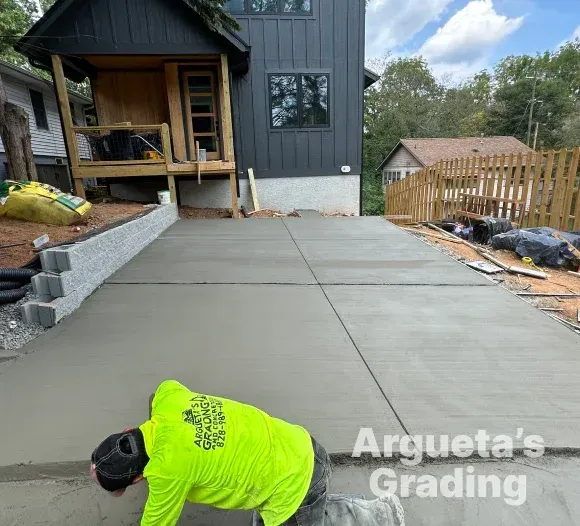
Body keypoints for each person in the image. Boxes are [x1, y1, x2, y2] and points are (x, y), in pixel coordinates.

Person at [90, 379, 331, 526]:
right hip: (298, 442)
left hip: (296, 484)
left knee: (302, 510)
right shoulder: (167, 397)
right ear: (128, 430)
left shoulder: (166, 474)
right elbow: (162, 391)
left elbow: (155, 523)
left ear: (138, 478)